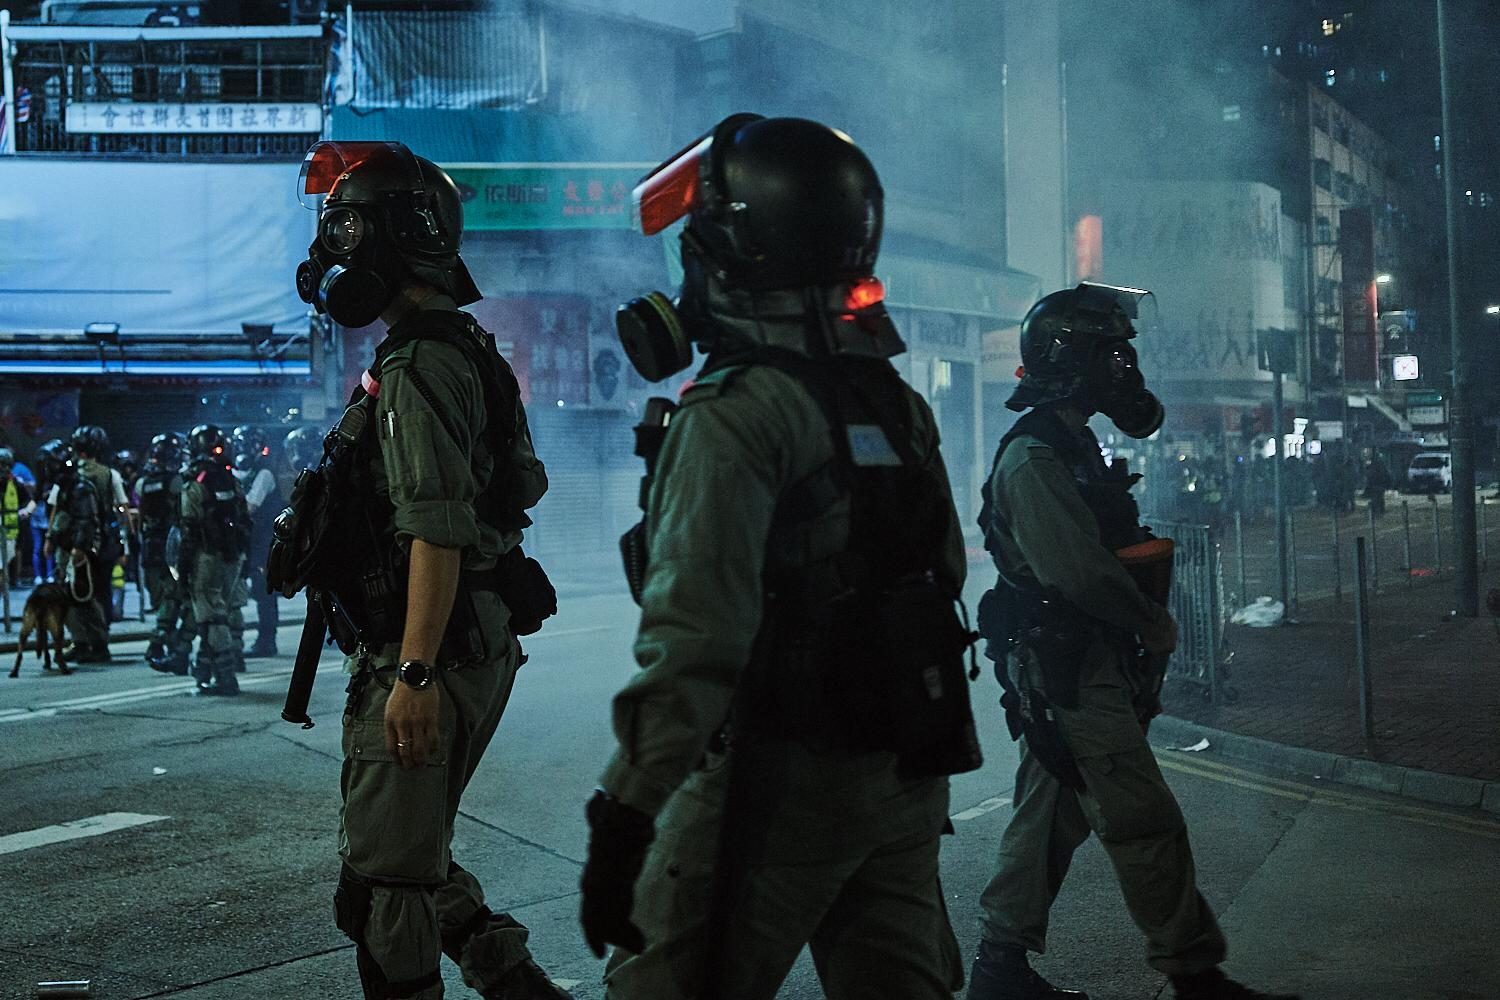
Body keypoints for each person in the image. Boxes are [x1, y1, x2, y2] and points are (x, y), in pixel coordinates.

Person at [578, 114, 980, 999]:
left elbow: (696, 642)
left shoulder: (735, 414)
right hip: (904, 772)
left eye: (694, 249)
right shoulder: (894, 400)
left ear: (738, 252)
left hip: (776, 782)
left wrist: (627, 811)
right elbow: (943, 572)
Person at [967, 284, 1299, 1000]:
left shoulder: (1072, 444)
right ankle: (1195, 975)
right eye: (1108, 354)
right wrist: (1150, 620)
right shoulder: (1034, 457)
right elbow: (1078, 572)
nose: (1122, 367)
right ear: (1068, 359)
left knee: (1047, 816)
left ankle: (1000, 970)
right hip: (1070, 668)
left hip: (1080, 663)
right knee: (1144, 821)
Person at [291, 140, 564, 999]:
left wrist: (412, 673)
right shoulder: (456, 347)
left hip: (433, 652)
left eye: (349, 231)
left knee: (385, 892)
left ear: (403, 234)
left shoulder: (420, 364)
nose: (336, 254)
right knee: (407, 865)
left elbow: (435, 532)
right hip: (460, 641)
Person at [179, 424, 249, 696]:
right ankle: (204, 668)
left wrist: (183, 566)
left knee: (211, 615)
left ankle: (226, 676)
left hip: (206, 554)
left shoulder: (195, 480)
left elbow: (189, 527)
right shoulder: (231, 478)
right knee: (218, 611)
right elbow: (245, 519)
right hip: (233, 555)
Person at [40, 440, 111, 662]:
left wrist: (79, 549)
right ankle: (80, 642)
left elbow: (86, 521)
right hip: (66, 549)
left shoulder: (81, 488)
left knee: (84, 597)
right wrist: (51, 539)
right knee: (67, 598)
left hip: (78, 553)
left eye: (52, 464)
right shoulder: (65, 487)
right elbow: (60, 516)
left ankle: (98, 644)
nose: (49, 469)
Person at [67, 425, 128, 645]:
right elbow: (123, 510)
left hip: (78, 542)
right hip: (106, 542)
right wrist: (124, 543)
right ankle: (102, 636)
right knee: (102, 590)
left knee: (79, 591)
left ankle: (85, 640)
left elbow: (56, 508)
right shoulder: (111, 474)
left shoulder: (71, 474)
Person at [140, 432, 195, 674]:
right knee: (177, 598)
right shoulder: (177, 481)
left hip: (151, 546)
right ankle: (165, 645)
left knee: (164, 598)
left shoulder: (145, 482)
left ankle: (169, 648)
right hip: (172, 547)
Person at [231, 424, 284, 658]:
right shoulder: (236, 473)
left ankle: (266, 641)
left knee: (264, 593)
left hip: (263, 544)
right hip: (245, 542)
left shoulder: (264, 474)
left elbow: (250, 507)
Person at [1, 447, 35, 587]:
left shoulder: (15, 484)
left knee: (9, 559)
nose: (3, 469)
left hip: (11, 533)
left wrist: (26, 511)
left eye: (6, 466)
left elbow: (31, 501)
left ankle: (14, 580)